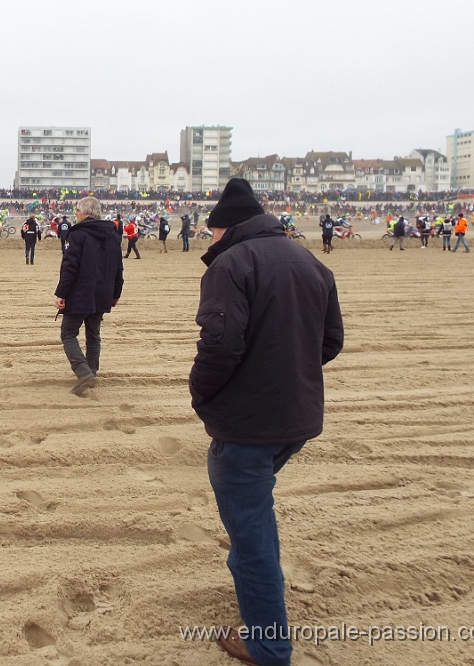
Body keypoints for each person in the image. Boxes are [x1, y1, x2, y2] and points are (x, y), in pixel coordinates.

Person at [189, 178, 343, 666]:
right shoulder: (310, 261)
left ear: (225, 228)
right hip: (293, 419)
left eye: (209, 233)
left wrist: (202, 394)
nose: (207, 242)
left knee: (251, 535)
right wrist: (287, 369)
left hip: (246, 425)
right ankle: (257, 581)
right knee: (252, 515)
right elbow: (330, 341)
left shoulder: (231, 264)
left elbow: (220, 345)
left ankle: (269, 647)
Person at [54, 196, 124, 396]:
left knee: (68, 333)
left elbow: (70, 267)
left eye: (77, 210)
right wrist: (116, 293)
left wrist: (61, 293)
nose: (75, 213)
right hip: (102, 294)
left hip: (80, 293)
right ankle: (91, 371)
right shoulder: (112, 235)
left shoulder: (78, 234)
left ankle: (84, 372)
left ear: (85, 212)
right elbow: (118, 268)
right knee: (93, 335)